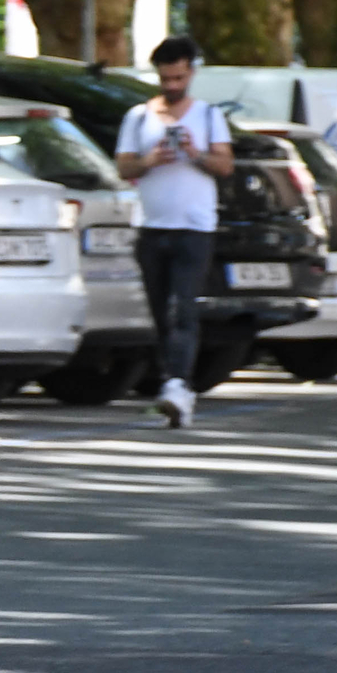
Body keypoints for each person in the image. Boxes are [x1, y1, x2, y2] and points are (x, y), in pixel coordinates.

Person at [114, 34, 234, 428]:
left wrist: (195, 153)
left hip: (195, 227)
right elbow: (124, 168)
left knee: (183, 307)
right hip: (152, 226)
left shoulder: (207, 116)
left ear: (191, 73)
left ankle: (178, 385)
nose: (172, 86)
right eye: (166, 79)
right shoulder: (139, 117)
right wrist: (151, 159)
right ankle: (172, 381)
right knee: (160, 312)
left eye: (179, 78)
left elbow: (225, 165)